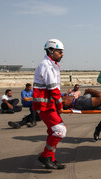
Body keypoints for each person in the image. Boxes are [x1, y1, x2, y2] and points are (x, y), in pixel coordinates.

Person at [33, 39, 66, 170]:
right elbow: (52, 88)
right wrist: (60, 104)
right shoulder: (46, 65)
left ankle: (50, 158)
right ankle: (45, 156)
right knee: (60, 130)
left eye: (62, 52)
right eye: (59, 51)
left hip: (49, 104)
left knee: (53, 131)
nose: (62, 54)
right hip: (45, 105)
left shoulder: (52, 64)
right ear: (51, 51)